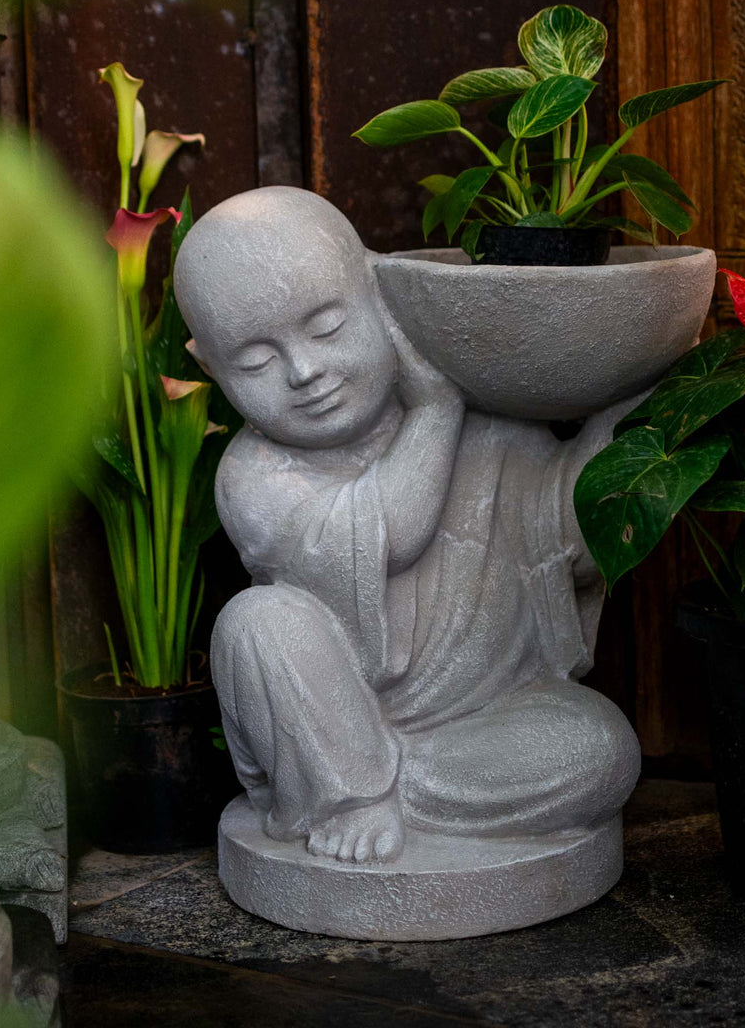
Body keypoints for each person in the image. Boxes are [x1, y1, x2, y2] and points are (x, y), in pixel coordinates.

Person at [174, 187, 640, 865]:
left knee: (601, 750)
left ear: (380, 294)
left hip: (479, 725)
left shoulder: (490, 428)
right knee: (257, 623)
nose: (306, 372)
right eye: (255, 361)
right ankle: (348, 795)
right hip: (334, 726)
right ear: (210, 368)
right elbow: (395, 530)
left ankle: (405, 786)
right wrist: (434, 412)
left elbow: (570, 541)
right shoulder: (255, 476)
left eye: (327, 326)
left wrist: (617, 416)